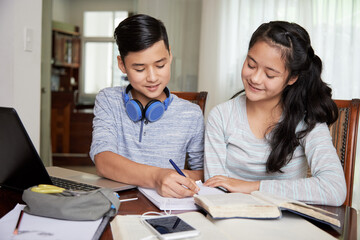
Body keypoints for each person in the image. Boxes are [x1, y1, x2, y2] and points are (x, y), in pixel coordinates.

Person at [203, 21, 346, 206]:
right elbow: (215, 189)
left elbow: (334, 189)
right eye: (251, 64)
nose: (255, 78)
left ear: (292, 78)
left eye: (270, 75)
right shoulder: (221, 116)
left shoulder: (307, 120)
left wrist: (253, 187)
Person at [90, 14, 204, 198]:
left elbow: (203, 173)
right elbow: (103, 160)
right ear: (122, 64)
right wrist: (158, 177)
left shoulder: (191, 114)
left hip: (166, 206)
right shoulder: (108, 100)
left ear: (170, 56)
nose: (152, 77)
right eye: (140, 69)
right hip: (119, 203)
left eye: (160, 65)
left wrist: (174, 179)